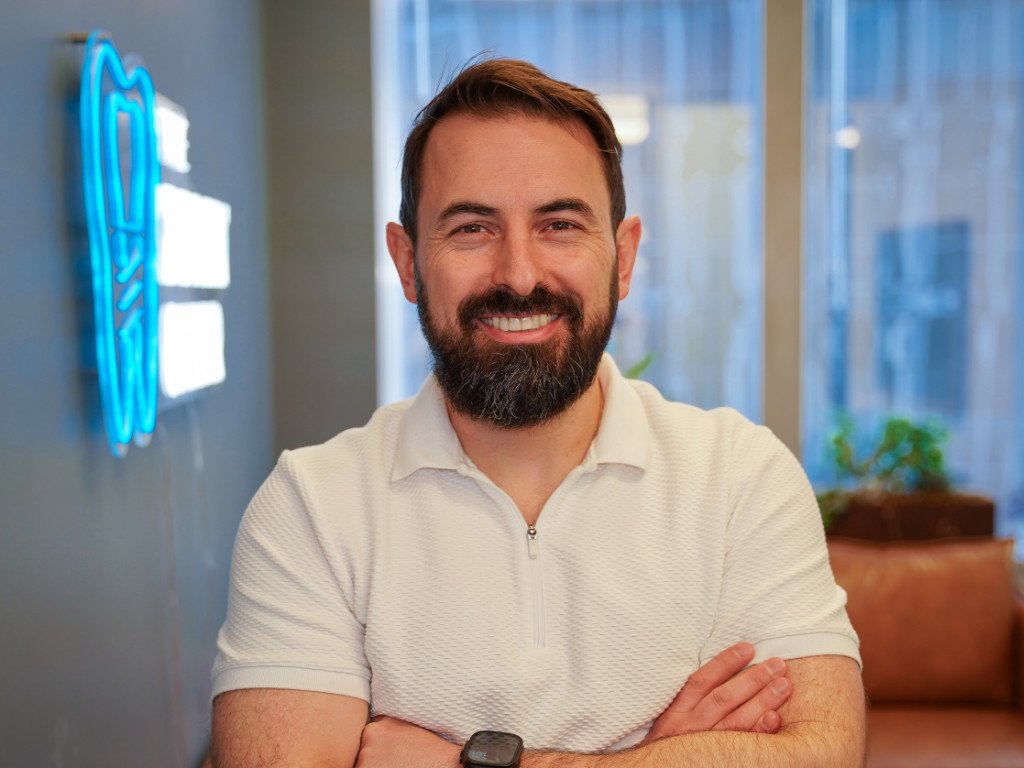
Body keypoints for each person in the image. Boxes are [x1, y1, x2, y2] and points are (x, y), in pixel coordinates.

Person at [209, 58, 864, 767]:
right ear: (406, 262)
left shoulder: (741, 479)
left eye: (558, 225)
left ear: (622, 257)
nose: (519, 275)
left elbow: (823, 752)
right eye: (471, 229)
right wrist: (660, 754)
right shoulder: (311, 507)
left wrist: (489, 762)